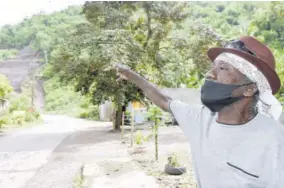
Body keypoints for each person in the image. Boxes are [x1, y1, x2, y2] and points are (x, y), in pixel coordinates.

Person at [115, 36, 284, 188]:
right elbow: (164, 100)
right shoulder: (200, 119)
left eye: (223, 68)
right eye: (213, 68)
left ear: (249, 89)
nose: (210, 74)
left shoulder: (274, 138)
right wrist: (130, 75)